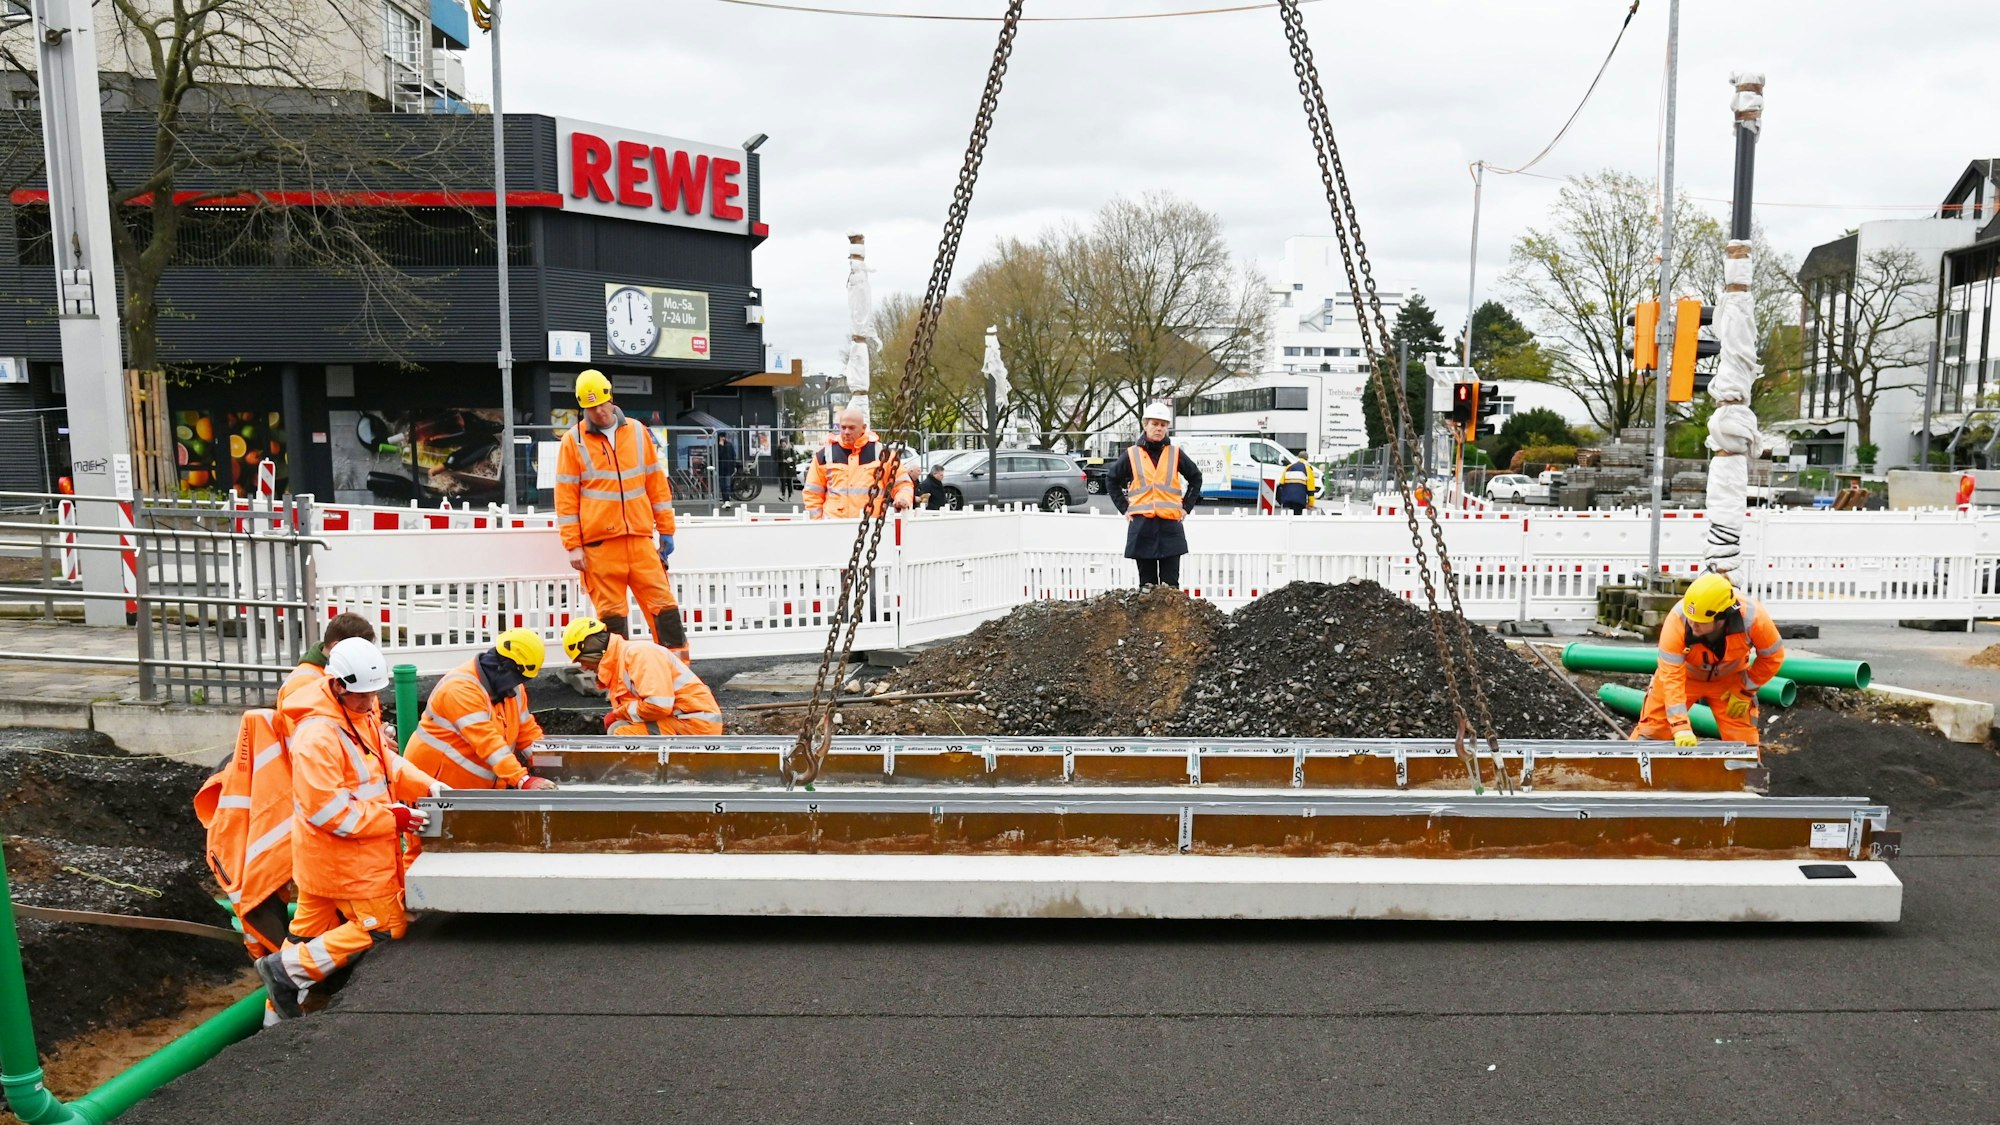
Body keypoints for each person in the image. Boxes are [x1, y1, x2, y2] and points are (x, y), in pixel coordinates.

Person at [254, 638, 442, 1020]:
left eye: (374, 694)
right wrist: (394, 818)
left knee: (305, 936)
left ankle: (274, 1020)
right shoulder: (317, 736)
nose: (370, 702)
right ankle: (284, 972)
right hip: (346, 861)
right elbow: (330, 812)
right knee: (385, 926)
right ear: (338, 685)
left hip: (323, 861)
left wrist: (427, 786)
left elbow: (385, 764)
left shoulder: (357, 715)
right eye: (362, 695)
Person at [554, 369, 689, 661]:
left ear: (611, 397)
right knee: (612, 618)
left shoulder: (638, 432)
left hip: (640, 540)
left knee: (664, 608)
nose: (599, 412)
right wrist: (573, 545)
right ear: (583, 407)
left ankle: (678, 671)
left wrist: (666, 530)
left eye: (602, 404)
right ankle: (619, 677)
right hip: (600, 547)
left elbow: (656, 484)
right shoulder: (573, 441)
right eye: (591, 407)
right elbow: (566, 498)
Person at [1629, 572, 1784, 747]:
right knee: (1652, 731)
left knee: (1743, 742)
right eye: (1690, 618)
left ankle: (1742, 765)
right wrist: (1680, 727)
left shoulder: (1753, 618)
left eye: (1700, 621)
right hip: (1685, 678)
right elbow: (1671, 677)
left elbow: (1773, 657)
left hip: (1731, 682)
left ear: (1721, 619)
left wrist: (1745, 689)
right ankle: (1630, 762)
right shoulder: (1677, 620)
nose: (1692, 624)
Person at [402, 629, 557, 792]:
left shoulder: (512, 688)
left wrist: (553, 767)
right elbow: (487, 742)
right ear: (505, 667)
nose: (518, 684)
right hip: (431, 787)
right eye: (517, 678)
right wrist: (522, 779)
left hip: (469, 790)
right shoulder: (460, 689)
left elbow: (527, 733)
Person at [564, 617, 723, 736]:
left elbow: (658, 706)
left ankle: (650, 772)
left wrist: (619, 713)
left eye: (581, 660)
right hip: (684, 720)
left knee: (620, 733)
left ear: (591, 650)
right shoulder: (620, 662)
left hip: (696, 726)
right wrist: (620, 715)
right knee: (619, 727)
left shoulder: (638, 655)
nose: (584, 667)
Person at [1108, 402, 1203, 588]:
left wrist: (1186, 507)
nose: (1159, 428)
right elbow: (1111, 480)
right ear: (1145, 425)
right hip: (1142, 526)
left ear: (1167, 428)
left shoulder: (1175, 453)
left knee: (1171, 587)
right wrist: (1124, 508)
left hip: (1170, 527)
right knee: (1147, 587)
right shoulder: (1132, 454)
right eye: (1155, 424)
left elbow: (1195, 477)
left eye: (1163, 425)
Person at [804, 406, 913, 519]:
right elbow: (812, 494)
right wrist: (817, 522)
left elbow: (902, 484)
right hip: (834, 524)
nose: (847, 432)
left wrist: (903, 498)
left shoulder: (883, 454)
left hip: (870, 523)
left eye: (852, 428)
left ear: (863, 428)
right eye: (843, 427)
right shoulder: (824, 455)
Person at [276, 612, 375, 732]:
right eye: (359, 652)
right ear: (336, 646)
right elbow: (303, 734)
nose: (364, 657)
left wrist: (378, 733)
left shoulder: (347, 673)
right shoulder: (303, 682)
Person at [775, 437, 797, 502]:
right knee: (783, 482)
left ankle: (789, 496)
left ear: (786, 443)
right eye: (782, 444)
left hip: (789, 468)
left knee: (789, 482)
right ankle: (783, 495)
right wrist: (782, 460)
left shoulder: (790, 449)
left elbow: (795, 458)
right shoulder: (778, 450)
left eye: (784, 443)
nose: (783, 445)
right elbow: (775, 459)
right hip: (782, 468)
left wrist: (791, 459)